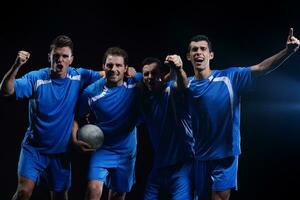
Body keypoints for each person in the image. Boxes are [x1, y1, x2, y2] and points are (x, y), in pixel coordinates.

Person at [183, 28, 300, 200]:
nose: (199, 52)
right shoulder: (184, 85)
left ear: (211, 55)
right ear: (188, 56)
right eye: (194, 49)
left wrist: (288, 52)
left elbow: (261, 68)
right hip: (199, 155)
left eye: (203, 49)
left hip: (225, 155)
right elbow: (157, 85)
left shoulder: (229, 77)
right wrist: (132, 75)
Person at [0, 35, 102, 200]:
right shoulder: (37, 78)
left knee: (60, 196)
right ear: (50, 57)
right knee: (23, 192)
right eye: (56, 56)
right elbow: (6, 90)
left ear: (71, 59)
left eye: (64, 56)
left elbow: (107, 74)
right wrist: (16, 65)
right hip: (34, 149)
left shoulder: (78, 76)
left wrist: (127, 71)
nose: (60, 60)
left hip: (60, 153)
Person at [74, 47, 141, 200]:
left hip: (127, 150)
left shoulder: (135, 83)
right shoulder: (91, 92)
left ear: (126, 68)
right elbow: (76, 117)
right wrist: (74, 140)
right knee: (93, 189)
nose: (114, 69)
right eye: (109, 65)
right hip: (102, 149)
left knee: (118, 195)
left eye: (118, 66)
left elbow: (156, 81)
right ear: (103, 67)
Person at [139, 56, 195, 199]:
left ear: (162, 76)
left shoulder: (171, 89)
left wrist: (178, 69)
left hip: (182, 165)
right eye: (146, 74)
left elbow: (183, 85)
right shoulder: (146, 101)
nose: (150, 77)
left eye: (154, 73)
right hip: (159, 166)